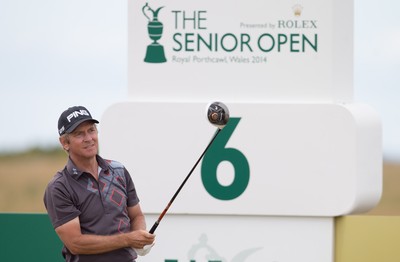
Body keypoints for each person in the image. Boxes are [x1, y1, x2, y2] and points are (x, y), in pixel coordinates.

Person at [44, 106, 155, 262]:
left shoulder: (119, 171)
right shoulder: (60, 187)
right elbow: (76, 243)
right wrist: (129, 239)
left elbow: (136, 215)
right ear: (64, 142)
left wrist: (139, 237)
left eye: (91, 130)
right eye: (79, 134)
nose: (88, 138)